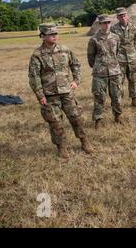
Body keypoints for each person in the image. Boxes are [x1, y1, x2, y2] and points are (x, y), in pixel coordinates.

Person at [28, 24, 93, 158]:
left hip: (67, 92)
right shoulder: (37, 55)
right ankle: (62, 147)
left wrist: (76, 80)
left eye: (55, 34)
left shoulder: (65, 50)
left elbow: (76, 64)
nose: (54, 36)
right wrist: (40, 95)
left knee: (76, 118)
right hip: (50, 95)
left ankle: (84, 141)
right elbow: (34, 76)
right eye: (51, 34)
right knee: (55, 123)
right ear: (43, 36)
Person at [87, 14, 123, 128]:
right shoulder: (94, 39)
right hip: (100, 73)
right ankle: (98, 120)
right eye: (104, 23)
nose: (106, 25)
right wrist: (99, 66)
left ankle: (117, 117)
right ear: (100, 24)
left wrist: (112, 64)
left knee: (116, 96)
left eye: (108, 22)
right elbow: (91, 57)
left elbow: (116, 53)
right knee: (99, 97)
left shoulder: (116, 37)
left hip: (114, 72)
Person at [110, 7, 136, 107]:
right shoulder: (113, 29)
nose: (123, 18)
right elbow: (111, 43)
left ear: (127, 16)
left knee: (133, 79)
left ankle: (134, 100)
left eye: (124, 15)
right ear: (117, 17)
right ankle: (118, 102)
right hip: (119, 60)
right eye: (120, 16)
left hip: (132, 59)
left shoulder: (133, 27)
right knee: (119, 81)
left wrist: (132, 50)